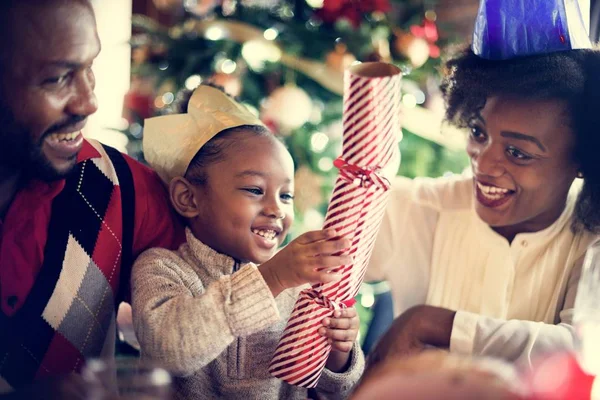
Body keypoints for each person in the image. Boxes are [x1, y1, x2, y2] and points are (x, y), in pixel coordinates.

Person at [365, 0, 600, 369]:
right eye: (478, 132)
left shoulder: (592, 241)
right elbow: (310, 278)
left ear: (582, 161)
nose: (484, 163)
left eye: (518, 153)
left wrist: (431, 323)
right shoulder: (413, 208)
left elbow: (584, 352)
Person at [131, 85, 365, 400]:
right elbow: (171, 351)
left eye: (286, 195)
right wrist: (272, 277)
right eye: (254, 190)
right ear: (188, 198)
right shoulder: (162, 268)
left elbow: (333, 390)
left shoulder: (301, 290)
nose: (276, 209)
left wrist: (339, 353)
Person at [0, 0, 184, 397]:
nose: (88, 103)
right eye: (57, 79)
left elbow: (219, 307)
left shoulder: (120, 187)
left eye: (89, 69)